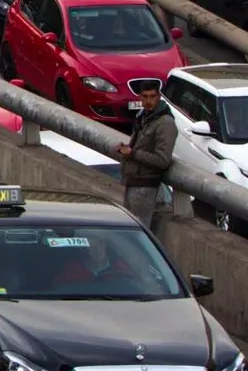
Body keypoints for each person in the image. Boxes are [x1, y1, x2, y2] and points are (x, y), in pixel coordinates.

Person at [116, 80, 176, 224]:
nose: (149, 101)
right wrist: (125, 148)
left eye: (152, 96)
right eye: (145, 96)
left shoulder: (165, 123)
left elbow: (162, 160)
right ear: (139, 98)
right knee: (129, 229)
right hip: (133, 182)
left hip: (145, 186)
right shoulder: (143, 116)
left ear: (159, 97)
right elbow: (140, 145)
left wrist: (133, 153)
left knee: (137, 232)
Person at [52, 234, 136, 287]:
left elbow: (135, 287)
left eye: (100, 244)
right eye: (92, 247)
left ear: (106, 245)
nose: (98, 250)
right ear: (85, 249)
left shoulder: (120, 268)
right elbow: (58, 288)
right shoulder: (71, 269)